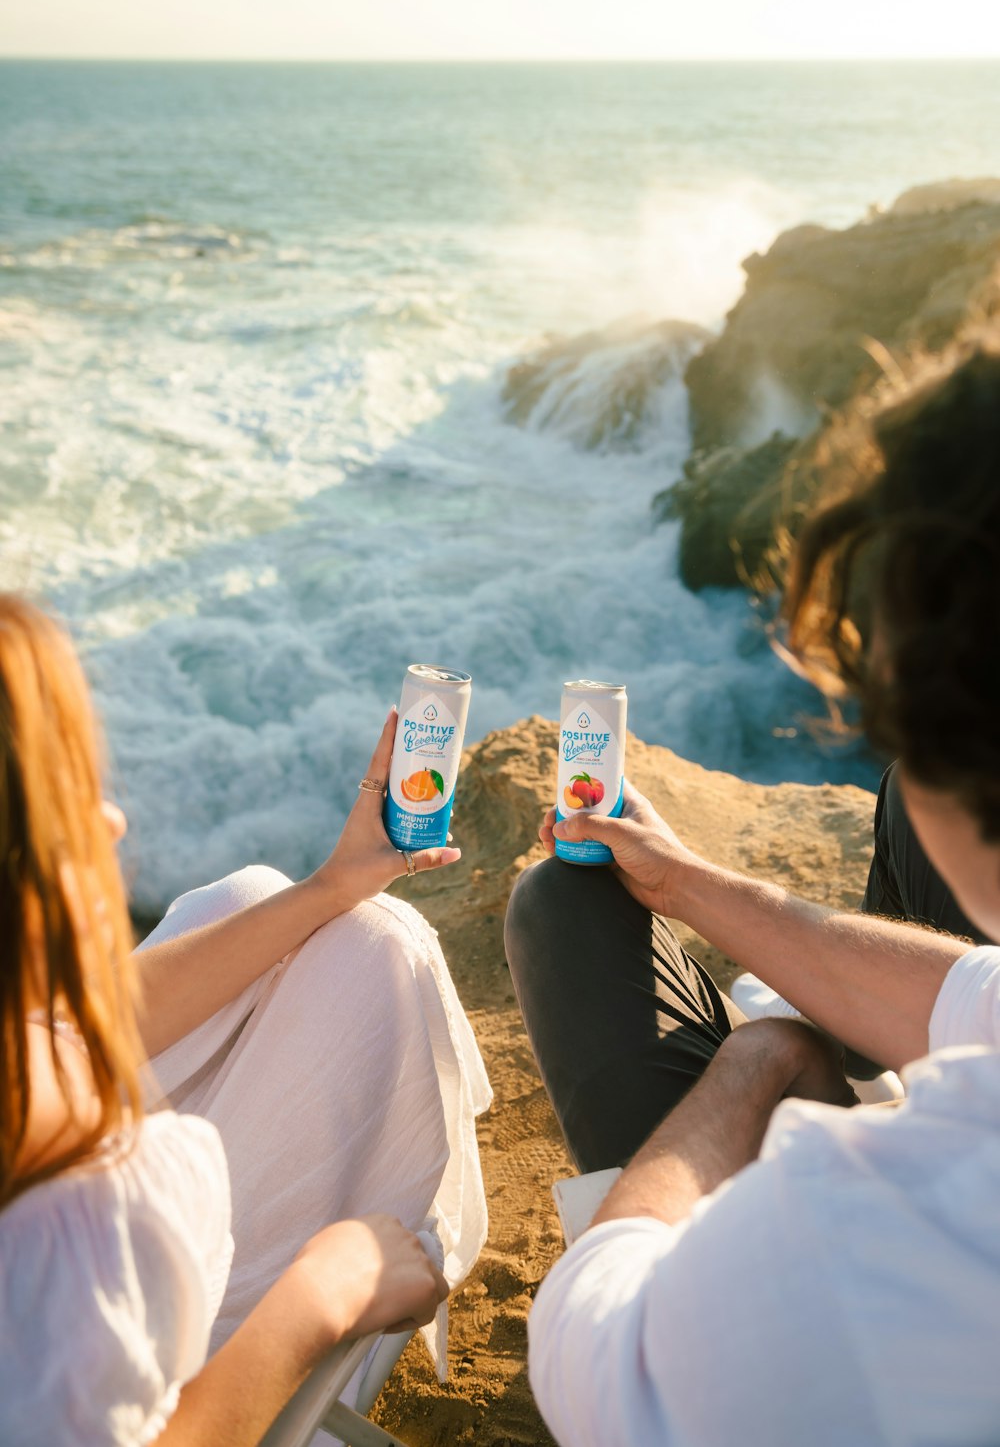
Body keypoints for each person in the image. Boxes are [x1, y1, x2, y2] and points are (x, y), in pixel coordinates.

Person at [505, 345, 1000, 1445]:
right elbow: (977, 994)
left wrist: (753, 1065)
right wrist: (689, 885)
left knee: (561, 917)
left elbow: (589, 1344)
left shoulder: (888, 1228)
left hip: (746, 1325)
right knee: (571, 901)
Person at [0, 593, 491, 1446]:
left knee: (264, 903)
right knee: (382, 955)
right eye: (62, 793)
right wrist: (321, 1292)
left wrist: (326, 888)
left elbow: (72, 1029)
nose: (110, 817)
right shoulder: (104, 1216)